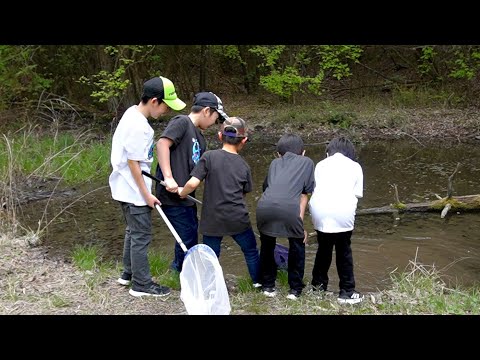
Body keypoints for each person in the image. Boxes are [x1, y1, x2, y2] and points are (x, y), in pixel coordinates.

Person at [109, 75, 186, 297]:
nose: (166, 111)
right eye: (165, 106)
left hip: (123, 188)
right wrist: (146, 196)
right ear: (154, 101)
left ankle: (127, 274)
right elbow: (134, 164)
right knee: (141, 235)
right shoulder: (141, 128)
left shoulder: (131, 113)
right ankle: (141, 285)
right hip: (133, 191)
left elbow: (133, 161)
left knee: (132, 231)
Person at [178, 117, 260, 286]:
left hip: (212, 219)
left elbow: (193, 183)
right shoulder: (244, 166)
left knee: (211, 255)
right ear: (243, 140)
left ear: (219, 136)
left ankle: (210, 285)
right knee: (251, 251)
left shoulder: (209, 157)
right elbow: (244, 194)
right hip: (237, 218)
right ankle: (258, 283)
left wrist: (182, 192)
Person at [155, 91, 228, 272]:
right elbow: (162, 144)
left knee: (190, 234)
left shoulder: (201, 139)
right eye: (216, 118)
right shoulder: (181, 122)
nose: (214, 123)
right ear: (206, 111)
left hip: (186, 196)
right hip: (171, 195)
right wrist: (168, 177)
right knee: (187, 237)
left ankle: (179, 270)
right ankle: (181, 273)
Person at [256, 134, 315, 300]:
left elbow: (267, 188)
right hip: (289, 209)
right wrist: (300, 224)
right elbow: (304, 195)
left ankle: (268, 286)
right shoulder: (307, 162)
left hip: (264, 207)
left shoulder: (274, 163)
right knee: (297, 244)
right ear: (303, 152)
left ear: (278, 154)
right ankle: (294, 290)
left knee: (267, 245)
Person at [308, 136, 364, 304]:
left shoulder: (320, 165)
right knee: (343, 250)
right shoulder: (355, 166)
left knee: (323, 249)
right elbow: (357, 194)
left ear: (329, 151)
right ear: (350, 152)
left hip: (319, 211)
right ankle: (347, 292)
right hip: (342, 213)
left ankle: (318, 289)